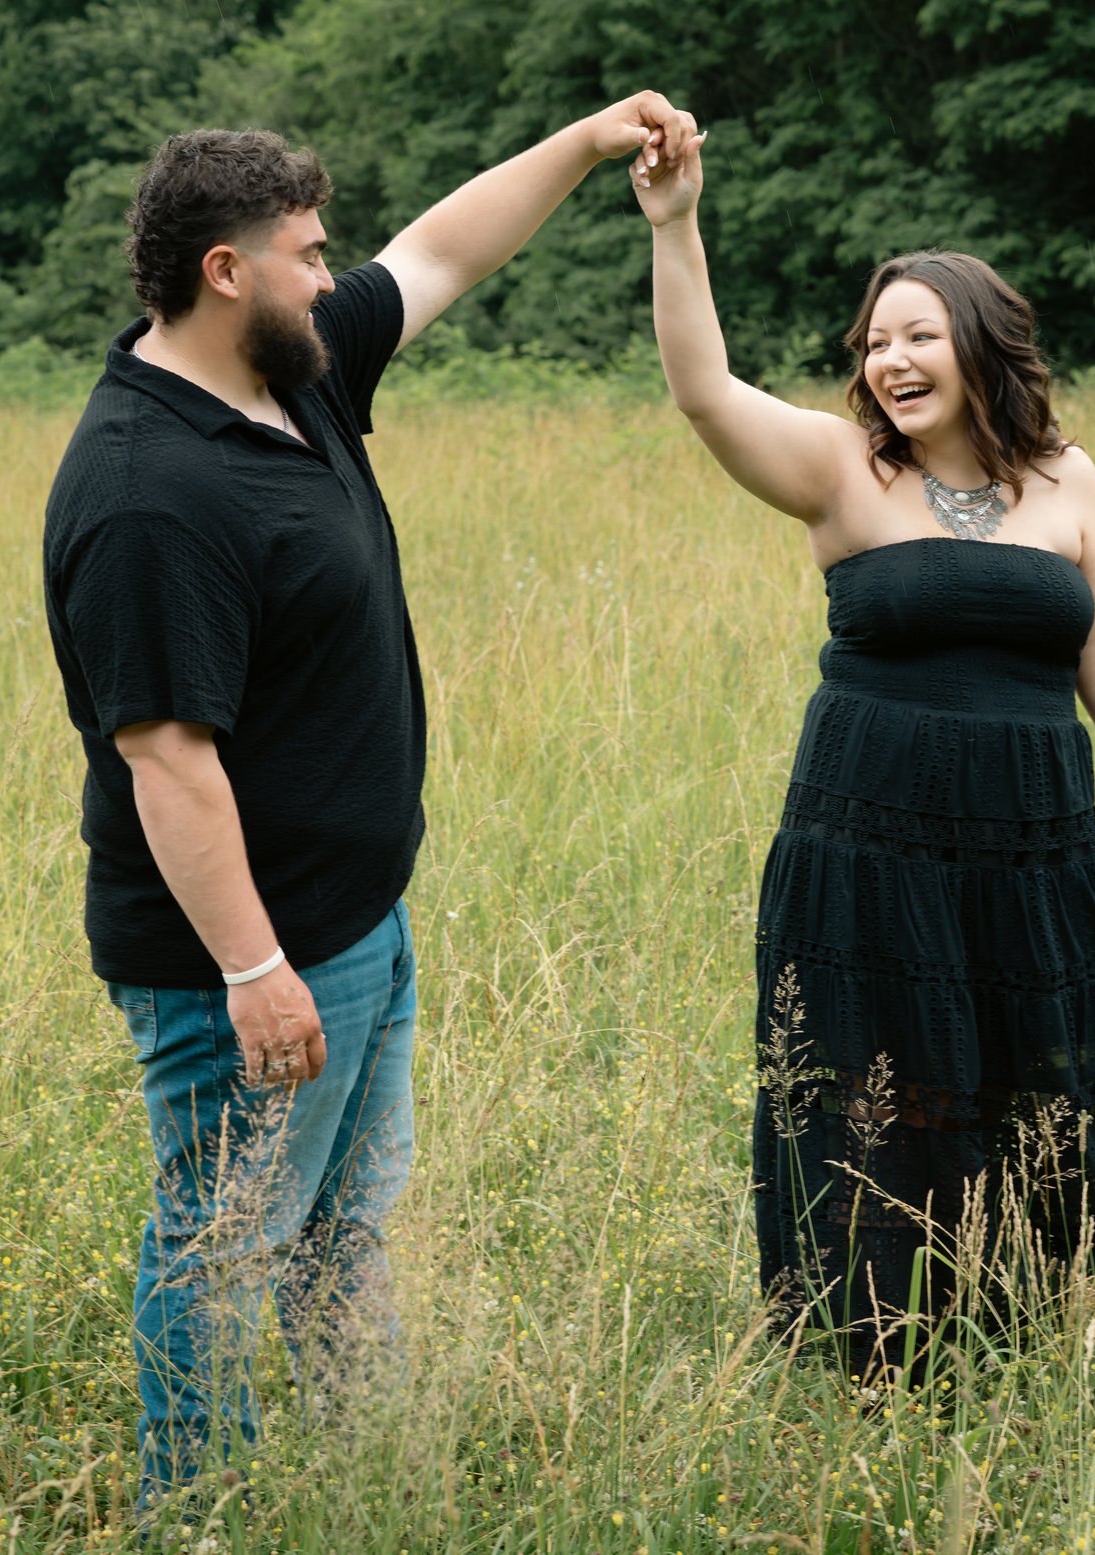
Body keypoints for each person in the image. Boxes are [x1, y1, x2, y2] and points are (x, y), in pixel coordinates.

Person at [42, 96, 683, 1496]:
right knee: (218, 1244)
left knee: (340, 1232)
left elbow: (446, 251)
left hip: (358, 926)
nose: (334, 274)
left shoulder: (295, 368)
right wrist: (256, 967)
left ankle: (365, 1480)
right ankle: (196, 1507)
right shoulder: (150, 490)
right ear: (228, 269)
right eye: (309, 251)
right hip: (251, 959)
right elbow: (167, 759)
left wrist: (584, 146)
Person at [628, 120, 1095, 1375]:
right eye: (875, 338)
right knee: (885, 1094)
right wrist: (675, 224)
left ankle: (1008, 1336)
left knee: (1028, 1086)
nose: (892, 357)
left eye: (918, 332)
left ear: (979, 342)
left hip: (1029, 844)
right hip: (870, 841)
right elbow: (704, 388)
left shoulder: (1068, 480)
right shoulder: (840, 468)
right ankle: (879, 1364)